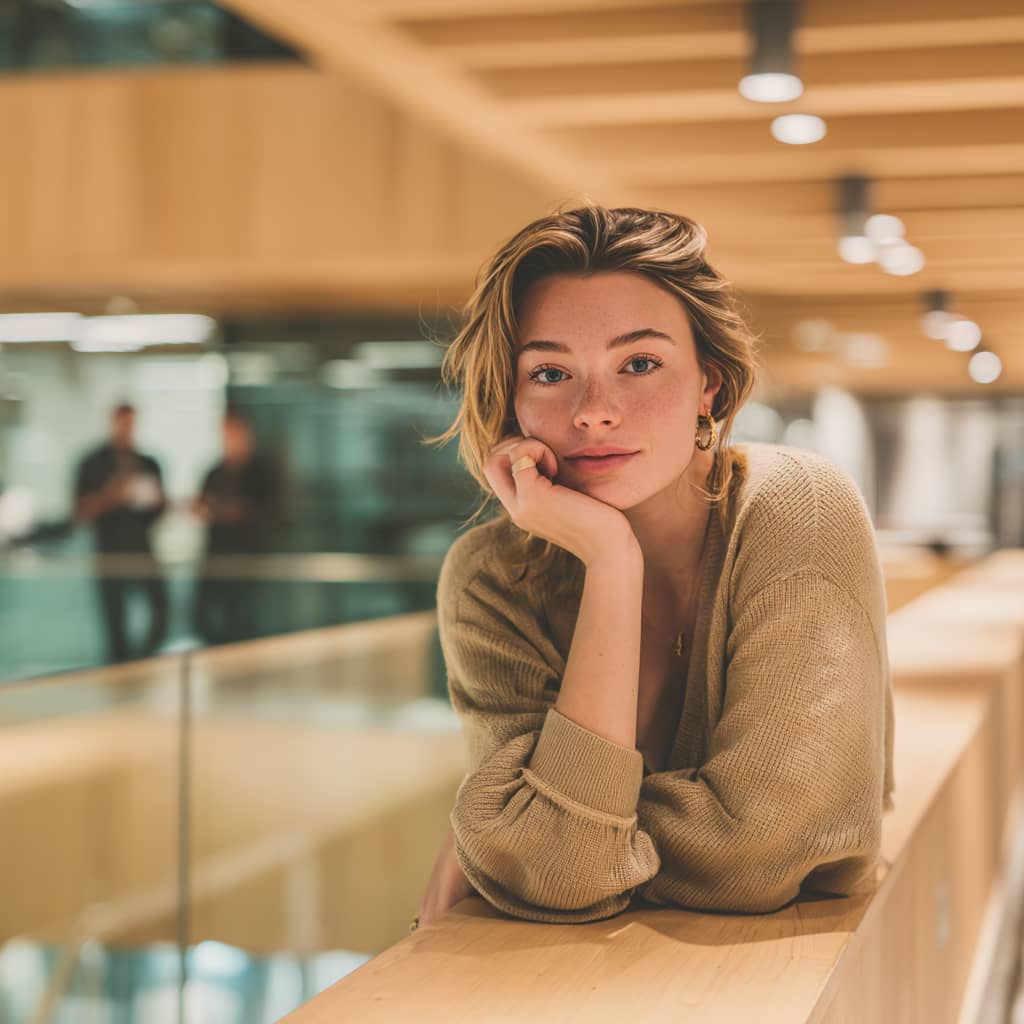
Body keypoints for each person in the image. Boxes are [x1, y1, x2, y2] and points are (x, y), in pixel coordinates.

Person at [414, 205, 895, 929]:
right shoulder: (490, 576)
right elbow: (549, 865)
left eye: (639, 364)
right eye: (550, 372)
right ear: (511, 399)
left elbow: (758, 853)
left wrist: (519, 835)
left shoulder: (798, 506)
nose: (593, 411)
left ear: (710, 382)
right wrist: (611, 559)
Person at [74, 402, 168, 663]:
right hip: (109, 552)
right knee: (115, 622)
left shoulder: (148, 463)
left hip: (142, 549)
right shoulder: (92, 463)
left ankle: (139, 663)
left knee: (161, 611)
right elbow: (79, 512)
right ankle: (120, 673)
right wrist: (110, 496)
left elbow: (160, 510)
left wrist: (157, 501)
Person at [191, 407, 285, 644]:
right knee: (205, 618)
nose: (229, 440)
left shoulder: (261, 473)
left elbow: (273, 511)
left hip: (247, 560)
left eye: (233, 433)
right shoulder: (213, 473)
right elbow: (203, 505)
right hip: (216, 559)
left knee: (244, 621)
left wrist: (238, 512)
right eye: (225, 434)